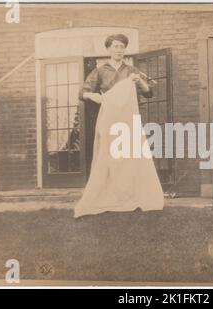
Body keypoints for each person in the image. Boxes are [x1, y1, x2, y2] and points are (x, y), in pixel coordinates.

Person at [74, 34, 164, 217]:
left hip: (128, 119)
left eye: (122, 46)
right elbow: (82, 92)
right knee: (109, 156)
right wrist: (93, 96)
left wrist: (140, 82)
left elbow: (149, 93)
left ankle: (130, 195)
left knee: (129, 156)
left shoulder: (131, 70)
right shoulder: (100, 71)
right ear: (108, 49)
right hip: (109, 117)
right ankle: (109, 195)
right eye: (115, 46)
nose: (119, 50)